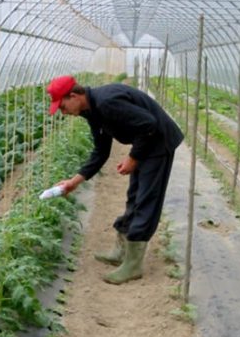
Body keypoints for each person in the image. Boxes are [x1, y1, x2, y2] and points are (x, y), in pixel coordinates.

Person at [47, 75, 184, 285]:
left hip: (159, 142)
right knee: (134, 196)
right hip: (146, 142)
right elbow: (101, 151)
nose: (63, 112)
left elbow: (149, 124)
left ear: (73, 95)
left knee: (146, 199)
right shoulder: (91, 111)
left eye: (62, 106)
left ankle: (133, 265)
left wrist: (133, 157)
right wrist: (73, 182)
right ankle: (121, 252)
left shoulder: (106, 102)